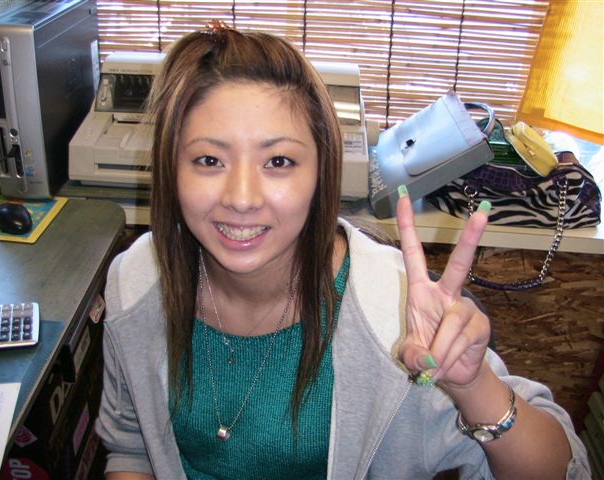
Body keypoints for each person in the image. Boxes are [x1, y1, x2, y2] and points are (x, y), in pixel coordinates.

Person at [96, 21, 590, 480]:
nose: (242, 198)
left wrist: (471, 385)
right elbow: (131, 445)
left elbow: (563, 470)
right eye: (208, 160)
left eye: (279, 161)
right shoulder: (135, 282)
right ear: (171, 169)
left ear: (321, 173)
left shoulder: (392, 312)